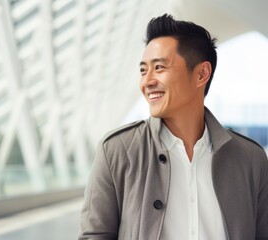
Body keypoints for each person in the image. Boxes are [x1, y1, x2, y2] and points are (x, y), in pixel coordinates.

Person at [78, 14, 268, 240]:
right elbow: (94, 235)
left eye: (159, 67)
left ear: (201, 74)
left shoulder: (251, 159)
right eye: (143, 70)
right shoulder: (117, 151)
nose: (147, 81)